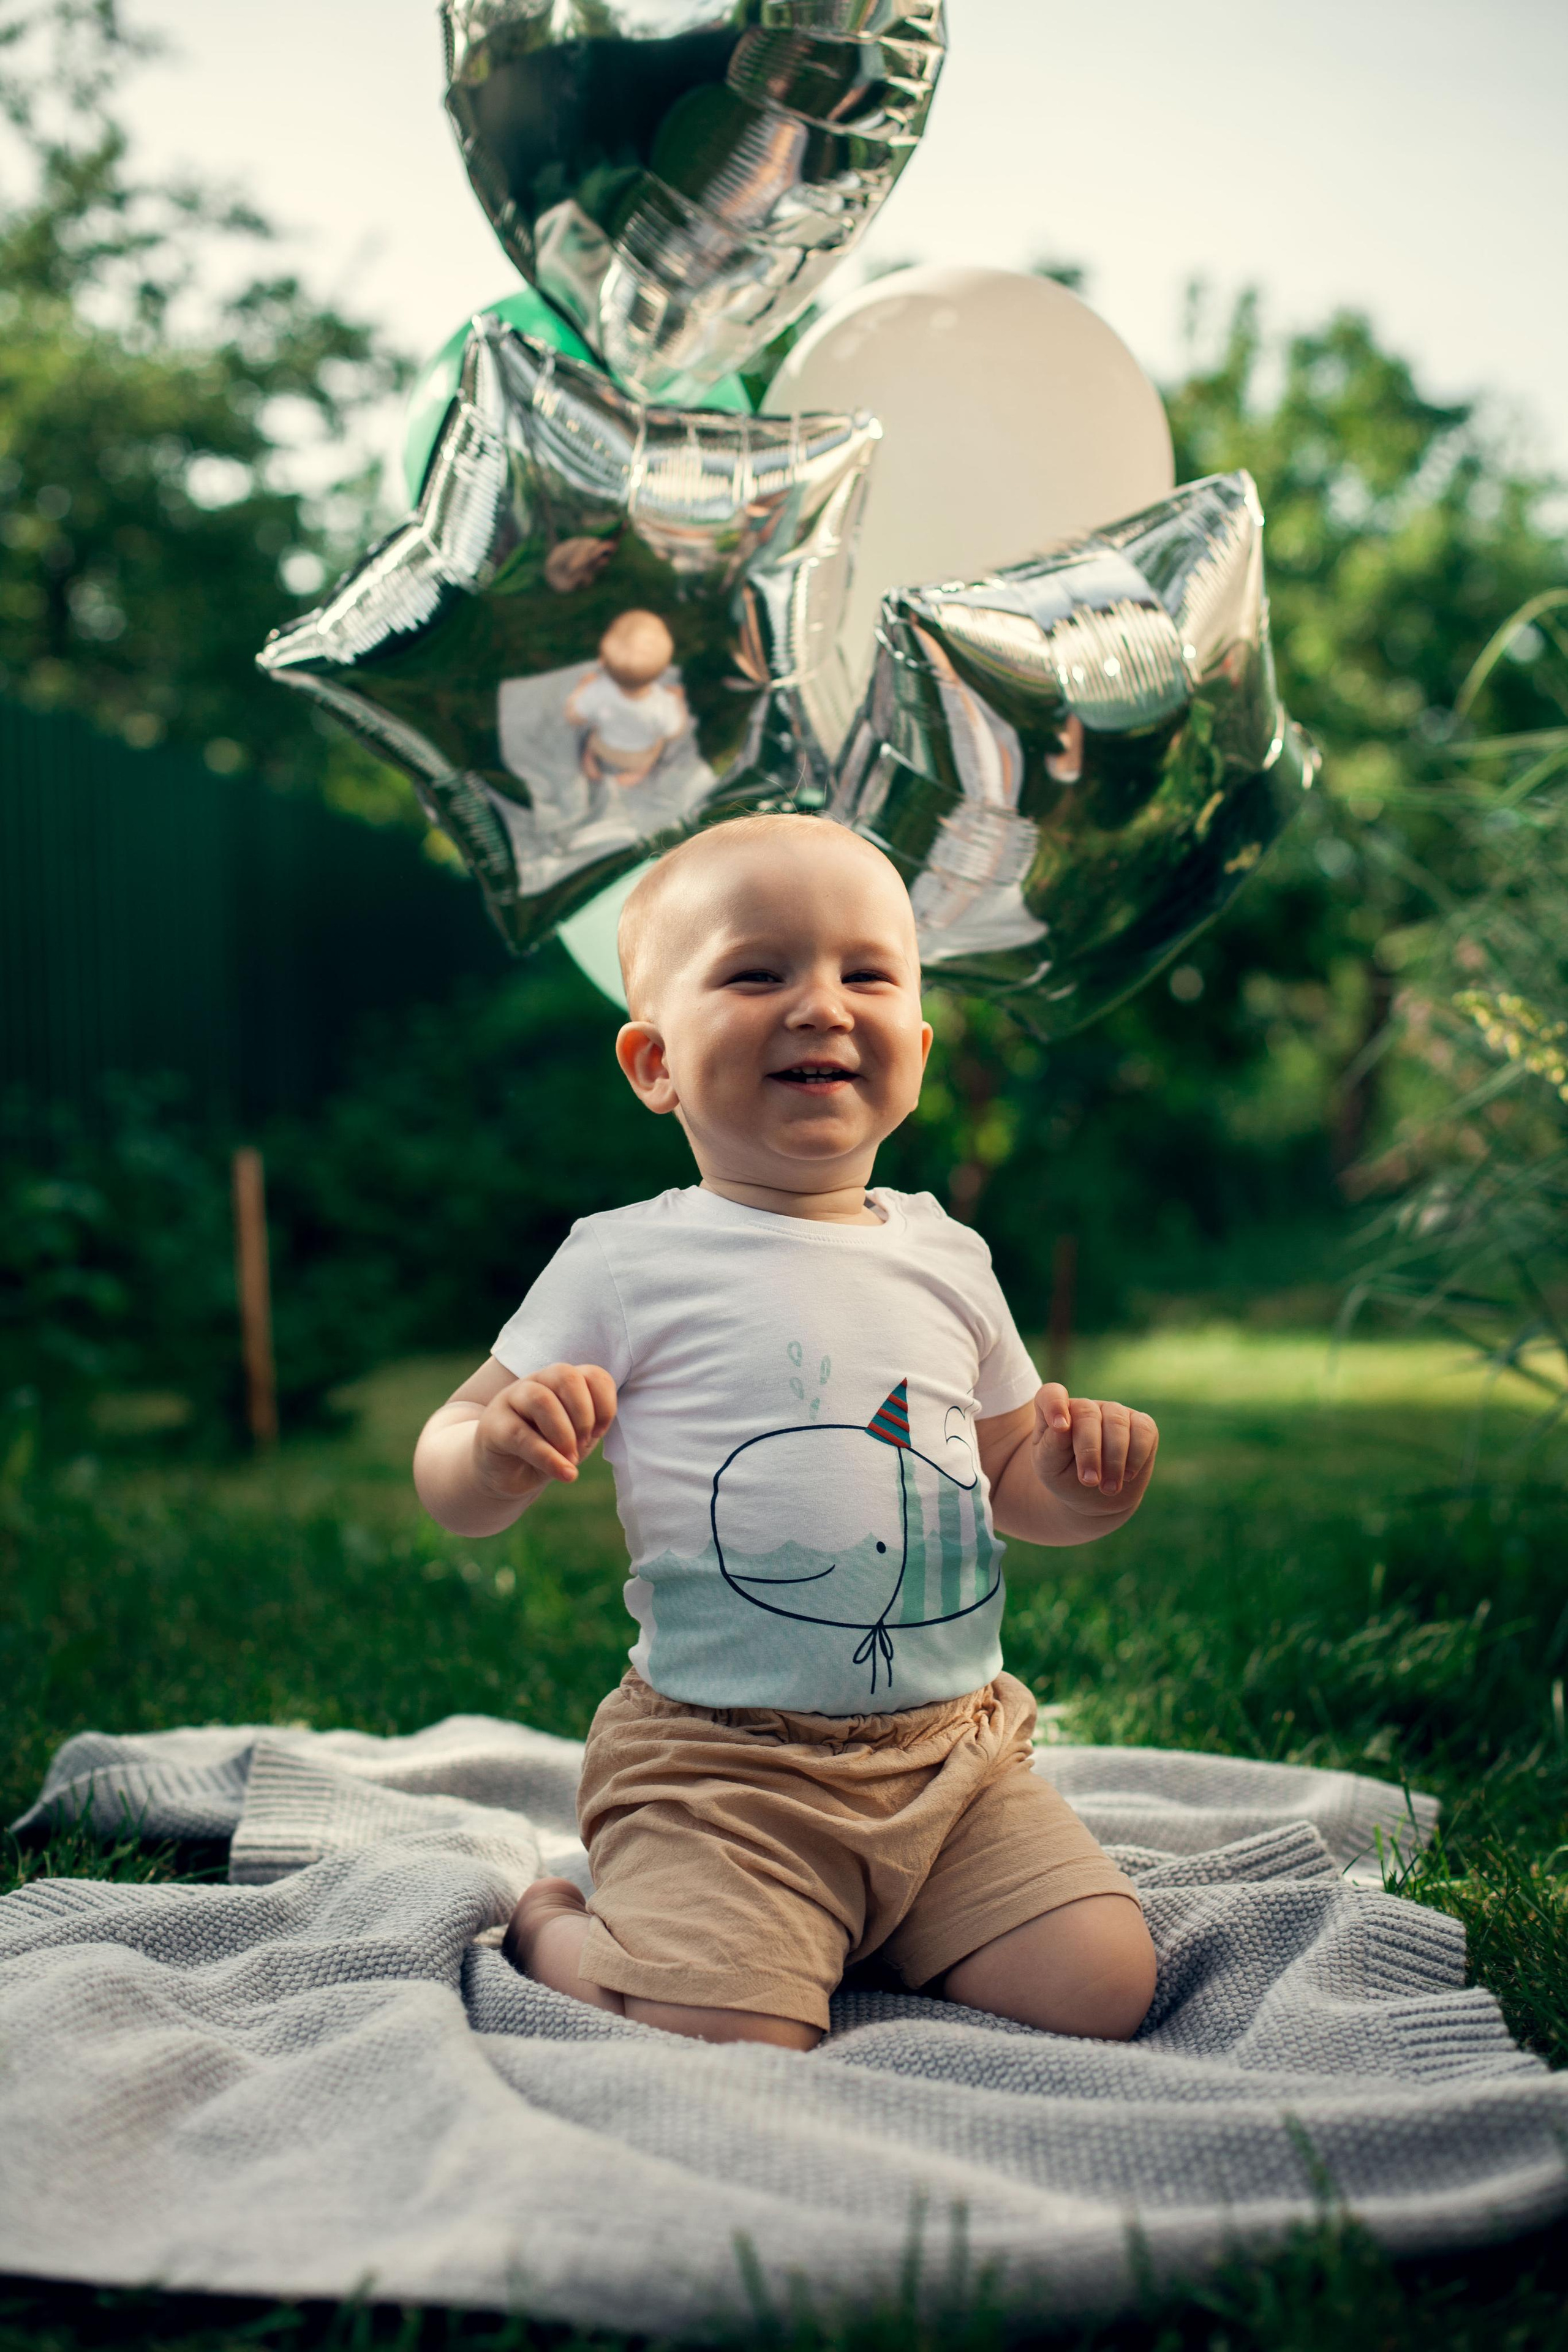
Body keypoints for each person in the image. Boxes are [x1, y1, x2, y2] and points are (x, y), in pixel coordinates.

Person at [413, 815, 1161, 2053]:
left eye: (865, 974)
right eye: (757, 973)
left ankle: (858, 1921)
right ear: (653, 1063)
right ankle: (562, 1930)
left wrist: (1081, 1489)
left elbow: (1010, 1472)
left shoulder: (947, 1257)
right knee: (728, 2041)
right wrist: (492, 1453)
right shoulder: (624, 1261)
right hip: (722, 1776)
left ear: (914, 1047)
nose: (820, 1005)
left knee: (1098, 1988)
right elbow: (447, 1460)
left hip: (950, 1765)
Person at [564, 609, 690, 790]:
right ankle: (638, 773)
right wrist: (678, 700)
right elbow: (674, 732)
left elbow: (573, 717)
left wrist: (582, 687)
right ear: (663, 671)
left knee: (592, 736)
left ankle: (589, 759)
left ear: (602, 662)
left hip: (603, 746)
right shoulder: (664, 704)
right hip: (639, 756)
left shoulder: (596, 691)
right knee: (657, 746)